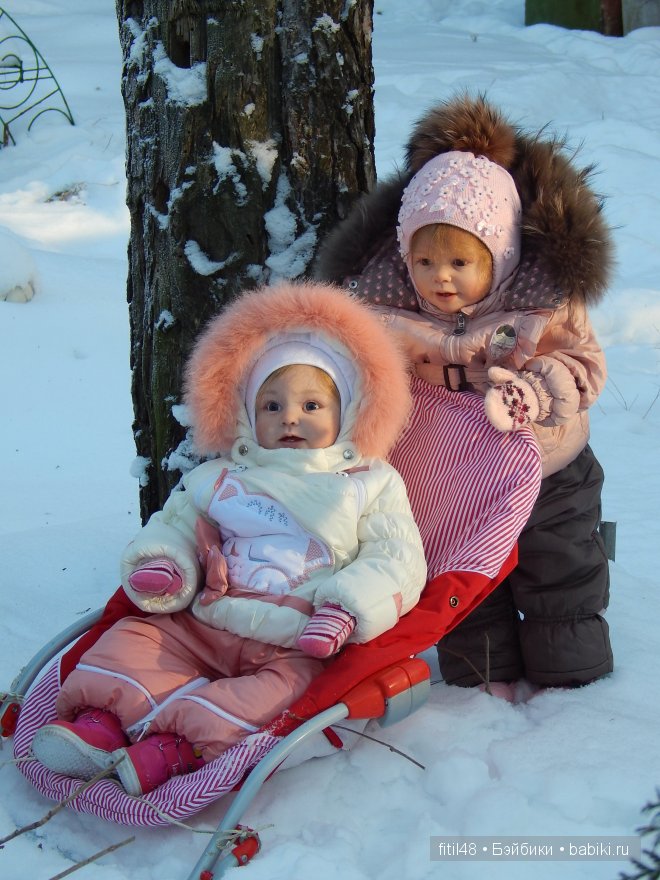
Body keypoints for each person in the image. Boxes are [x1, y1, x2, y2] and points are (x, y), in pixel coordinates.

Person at [31, 281, 427, 795]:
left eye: (311, 405)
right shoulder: (219, 477)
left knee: (283, 694)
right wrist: (170, 565)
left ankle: (176, 749)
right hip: (204, 619)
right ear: (245, 414)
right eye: (271, 405)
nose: (289, 417)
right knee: (135, 640)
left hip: (295, 638)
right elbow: (174, 524)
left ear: (348, 411)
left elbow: (397, 557)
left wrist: (346, 606)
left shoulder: (367, 482)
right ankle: (100, 727)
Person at [315, 93, 614, 691]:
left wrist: (537, 387)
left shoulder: (542, 297)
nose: (440, 277)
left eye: (459, 261)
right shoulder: (379, 304)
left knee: (560, 571)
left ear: (500, 253)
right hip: (453, 475)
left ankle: (573, 681)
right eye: (423, 260)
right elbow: (355, 369)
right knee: (465, 571)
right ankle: (483, 682)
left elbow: (581, 365)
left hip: (549, 463)